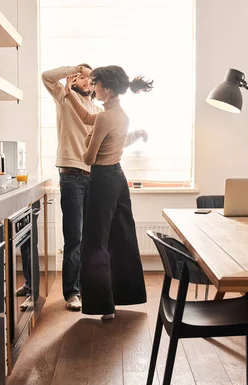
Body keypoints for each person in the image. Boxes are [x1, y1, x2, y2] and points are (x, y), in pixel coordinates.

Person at [39, 65, 147, 311]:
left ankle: (92, 293)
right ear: (73, 79)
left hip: (96, 176)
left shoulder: (99, 110)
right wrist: (71, 73)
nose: (88, 81)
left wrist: (134, 136)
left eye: (92, 78)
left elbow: (104, 134)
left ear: (102, 87)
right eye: (83, 76)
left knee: (94, 238)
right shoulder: (64, 98)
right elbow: (46, 77)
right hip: (73, 175)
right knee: (75, 238)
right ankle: (73, 293)